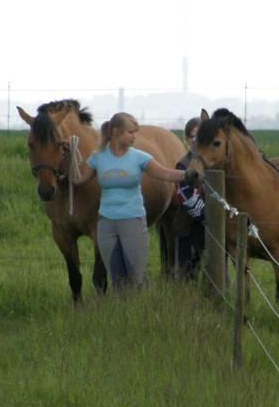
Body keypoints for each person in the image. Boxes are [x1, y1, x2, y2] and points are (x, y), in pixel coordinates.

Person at [72, 112, 196, 289]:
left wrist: (188, 175)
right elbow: (79, 180)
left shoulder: (139, 157)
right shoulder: (98, 158)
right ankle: (121, 312)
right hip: (106, 224)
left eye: (135, 132)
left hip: (133, 221)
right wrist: (68, 163)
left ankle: (138, 309)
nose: (135, 136)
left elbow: (165, 173)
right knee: (117, 279)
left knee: (136, 277)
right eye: (131, 132)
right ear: (116, 132)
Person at [173, 117, 205, 280]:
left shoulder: (214, 162)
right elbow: (188, 198)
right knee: (188, 271)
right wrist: (210, 215)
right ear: (187, 139)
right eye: (194, 136)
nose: (199, 140)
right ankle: (187, 298)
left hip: (211, 227)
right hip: (189, 225)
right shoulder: (183, 164)